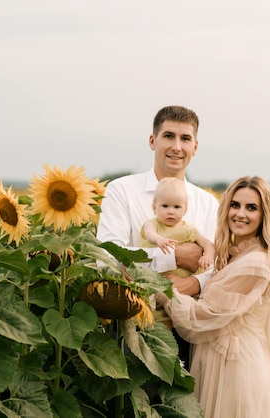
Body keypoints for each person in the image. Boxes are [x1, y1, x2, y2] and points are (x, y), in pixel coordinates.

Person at [154, 176, 270, 418]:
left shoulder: (256, 264)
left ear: (265, 215)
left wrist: (162, 289)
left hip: (240, 376)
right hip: (225, 370)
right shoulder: (236, 256)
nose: (240, 213)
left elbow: (202, 316)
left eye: (251, 208)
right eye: (235, 205)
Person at [96, 105, 219, 366]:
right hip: (138, 323)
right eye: (168, 136)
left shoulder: (208, 203)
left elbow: (222, 266)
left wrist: (195, 284)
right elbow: (106, 259)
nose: (177, 146)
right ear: (153, 141)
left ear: (195, 147)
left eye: (185, 138)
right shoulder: (122, 191)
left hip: (196, 328)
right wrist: (176, 257)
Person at [141, 177, 215, 277]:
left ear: (185, 209)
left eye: (176, 207)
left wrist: (208, 256)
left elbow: (207, 243)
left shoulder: (189, 229)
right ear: (154, 208)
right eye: (165, 206)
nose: (171, 212)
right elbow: (149, 233)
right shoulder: (153, 224)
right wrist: (159, 239)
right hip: (155, 278)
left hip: (183, 281)